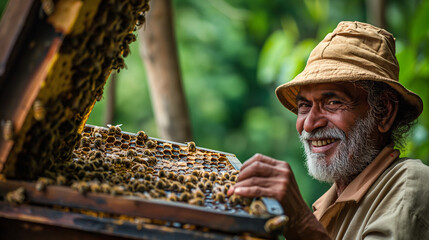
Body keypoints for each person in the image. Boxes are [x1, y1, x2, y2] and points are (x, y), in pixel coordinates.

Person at [227, 21, 429, 239]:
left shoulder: (410, 184)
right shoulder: (327, 204)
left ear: (384, 112)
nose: (309, 124)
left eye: (333, 102)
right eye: (304, 106)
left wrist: (300, 222)